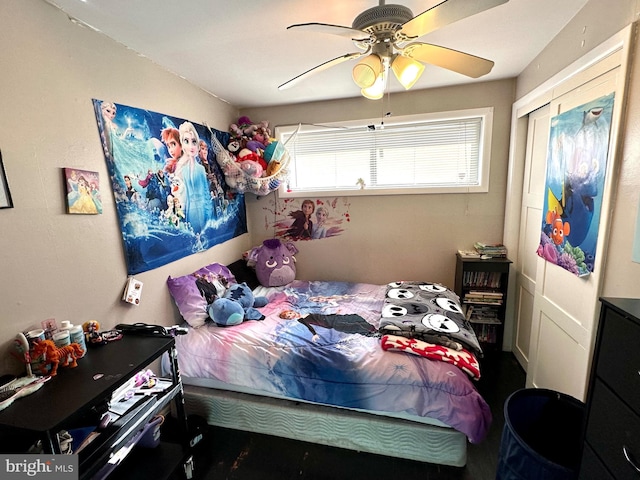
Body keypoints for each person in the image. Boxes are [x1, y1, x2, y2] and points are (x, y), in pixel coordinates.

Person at [175, 122, 213, 233]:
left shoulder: (201, 169)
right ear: (182, 144)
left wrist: (208, 212)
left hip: (201, 209)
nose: (191, 146)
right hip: (188, 210)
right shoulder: (182, 169)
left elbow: (206, 193)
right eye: (186, 141)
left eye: (194, 141)